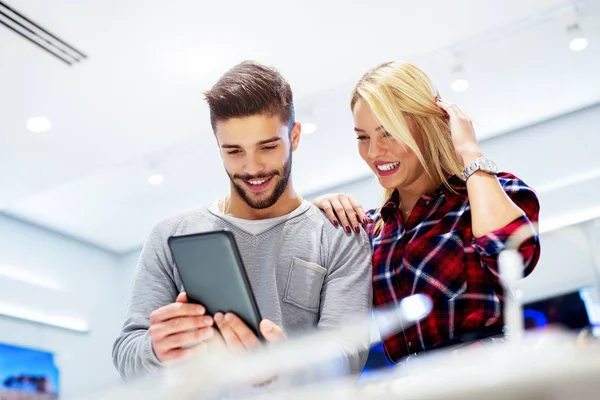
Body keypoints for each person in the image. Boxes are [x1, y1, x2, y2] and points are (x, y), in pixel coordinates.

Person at [112, 61, 372, 382]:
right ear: (217, 147)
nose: (252, 168)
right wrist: (157, 349)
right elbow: (127, 354)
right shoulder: (170, 235)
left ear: (295, 136)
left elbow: (349, 357)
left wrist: (281, 364)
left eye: (268, 146)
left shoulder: (339, 234)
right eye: (234, 151)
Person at [313, 61, 541, 363]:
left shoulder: (489, 193)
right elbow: (318, 315)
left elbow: (516, 256)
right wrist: (312, 218)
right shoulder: (370, 231)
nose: (373, 152)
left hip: (492, 377)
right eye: (363, 137)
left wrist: (469, 152)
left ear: (428, 125)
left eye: (388, 133)